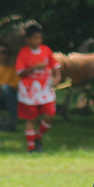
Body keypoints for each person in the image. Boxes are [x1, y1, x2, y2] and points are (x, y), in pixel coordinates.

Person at [15, 23, 61, 152]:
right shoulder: (24, 53)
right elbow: (19, 72)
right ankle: (31, 147)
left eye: (40, 38)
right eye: (35, 38)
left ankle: (38, 136)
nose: (38, 41)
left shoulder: (46, 50)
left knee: (50, 113)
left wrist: (57, 77)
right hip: (29, 92)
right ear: (28, 40)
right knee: (31, 118)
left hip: (45, 89)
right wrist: (35, 68)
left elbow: (55, 65)